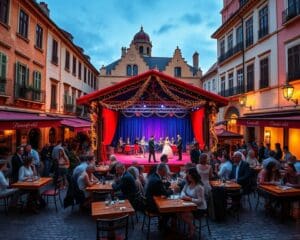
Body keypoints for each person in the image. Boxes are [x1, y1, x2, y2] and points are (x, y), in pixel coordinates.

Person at [180, 167, 207, 238]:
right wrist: (184, 196)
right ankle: (192, 226)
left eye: (189, 175)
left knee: (183, 214)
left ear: (193, 175)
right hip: (189, 206)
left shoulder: (199, 187)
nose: (187, 177)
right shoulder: (188, 184)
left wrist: (189, 199)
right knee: (178, 212)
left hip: (199, 208)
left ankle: (192, 227)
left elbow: (200, 201)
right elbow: (182, 192)